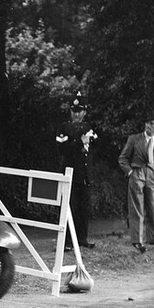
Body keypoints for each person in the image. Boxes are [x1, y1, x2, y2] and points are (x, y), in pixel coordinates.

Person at [118, 113, 154, 253]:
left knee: (153, 208)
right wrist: (130, 173)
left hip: (152, 176)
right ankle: (137, 240)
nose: (148, 126)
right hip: (137, 174)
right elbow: (123, 158)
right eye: (147, 123)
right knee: (137, 208)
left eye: (152, 124)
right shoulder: (134, 139)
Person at [55, 91, 97, 250]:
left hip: (84, 174)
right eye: (74, 111)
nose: (76, 115)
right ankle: (65, 242)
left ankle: (82, 238)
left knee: (83, 208)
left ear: (85, 112)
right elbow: (62, 150)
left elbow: (95, 144)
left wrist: (88, 141)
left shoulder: (88, 127)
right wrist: (79, 142)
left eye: (79, 112)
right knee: (69, 207)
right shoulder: (63, 127)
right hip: (69, 173)